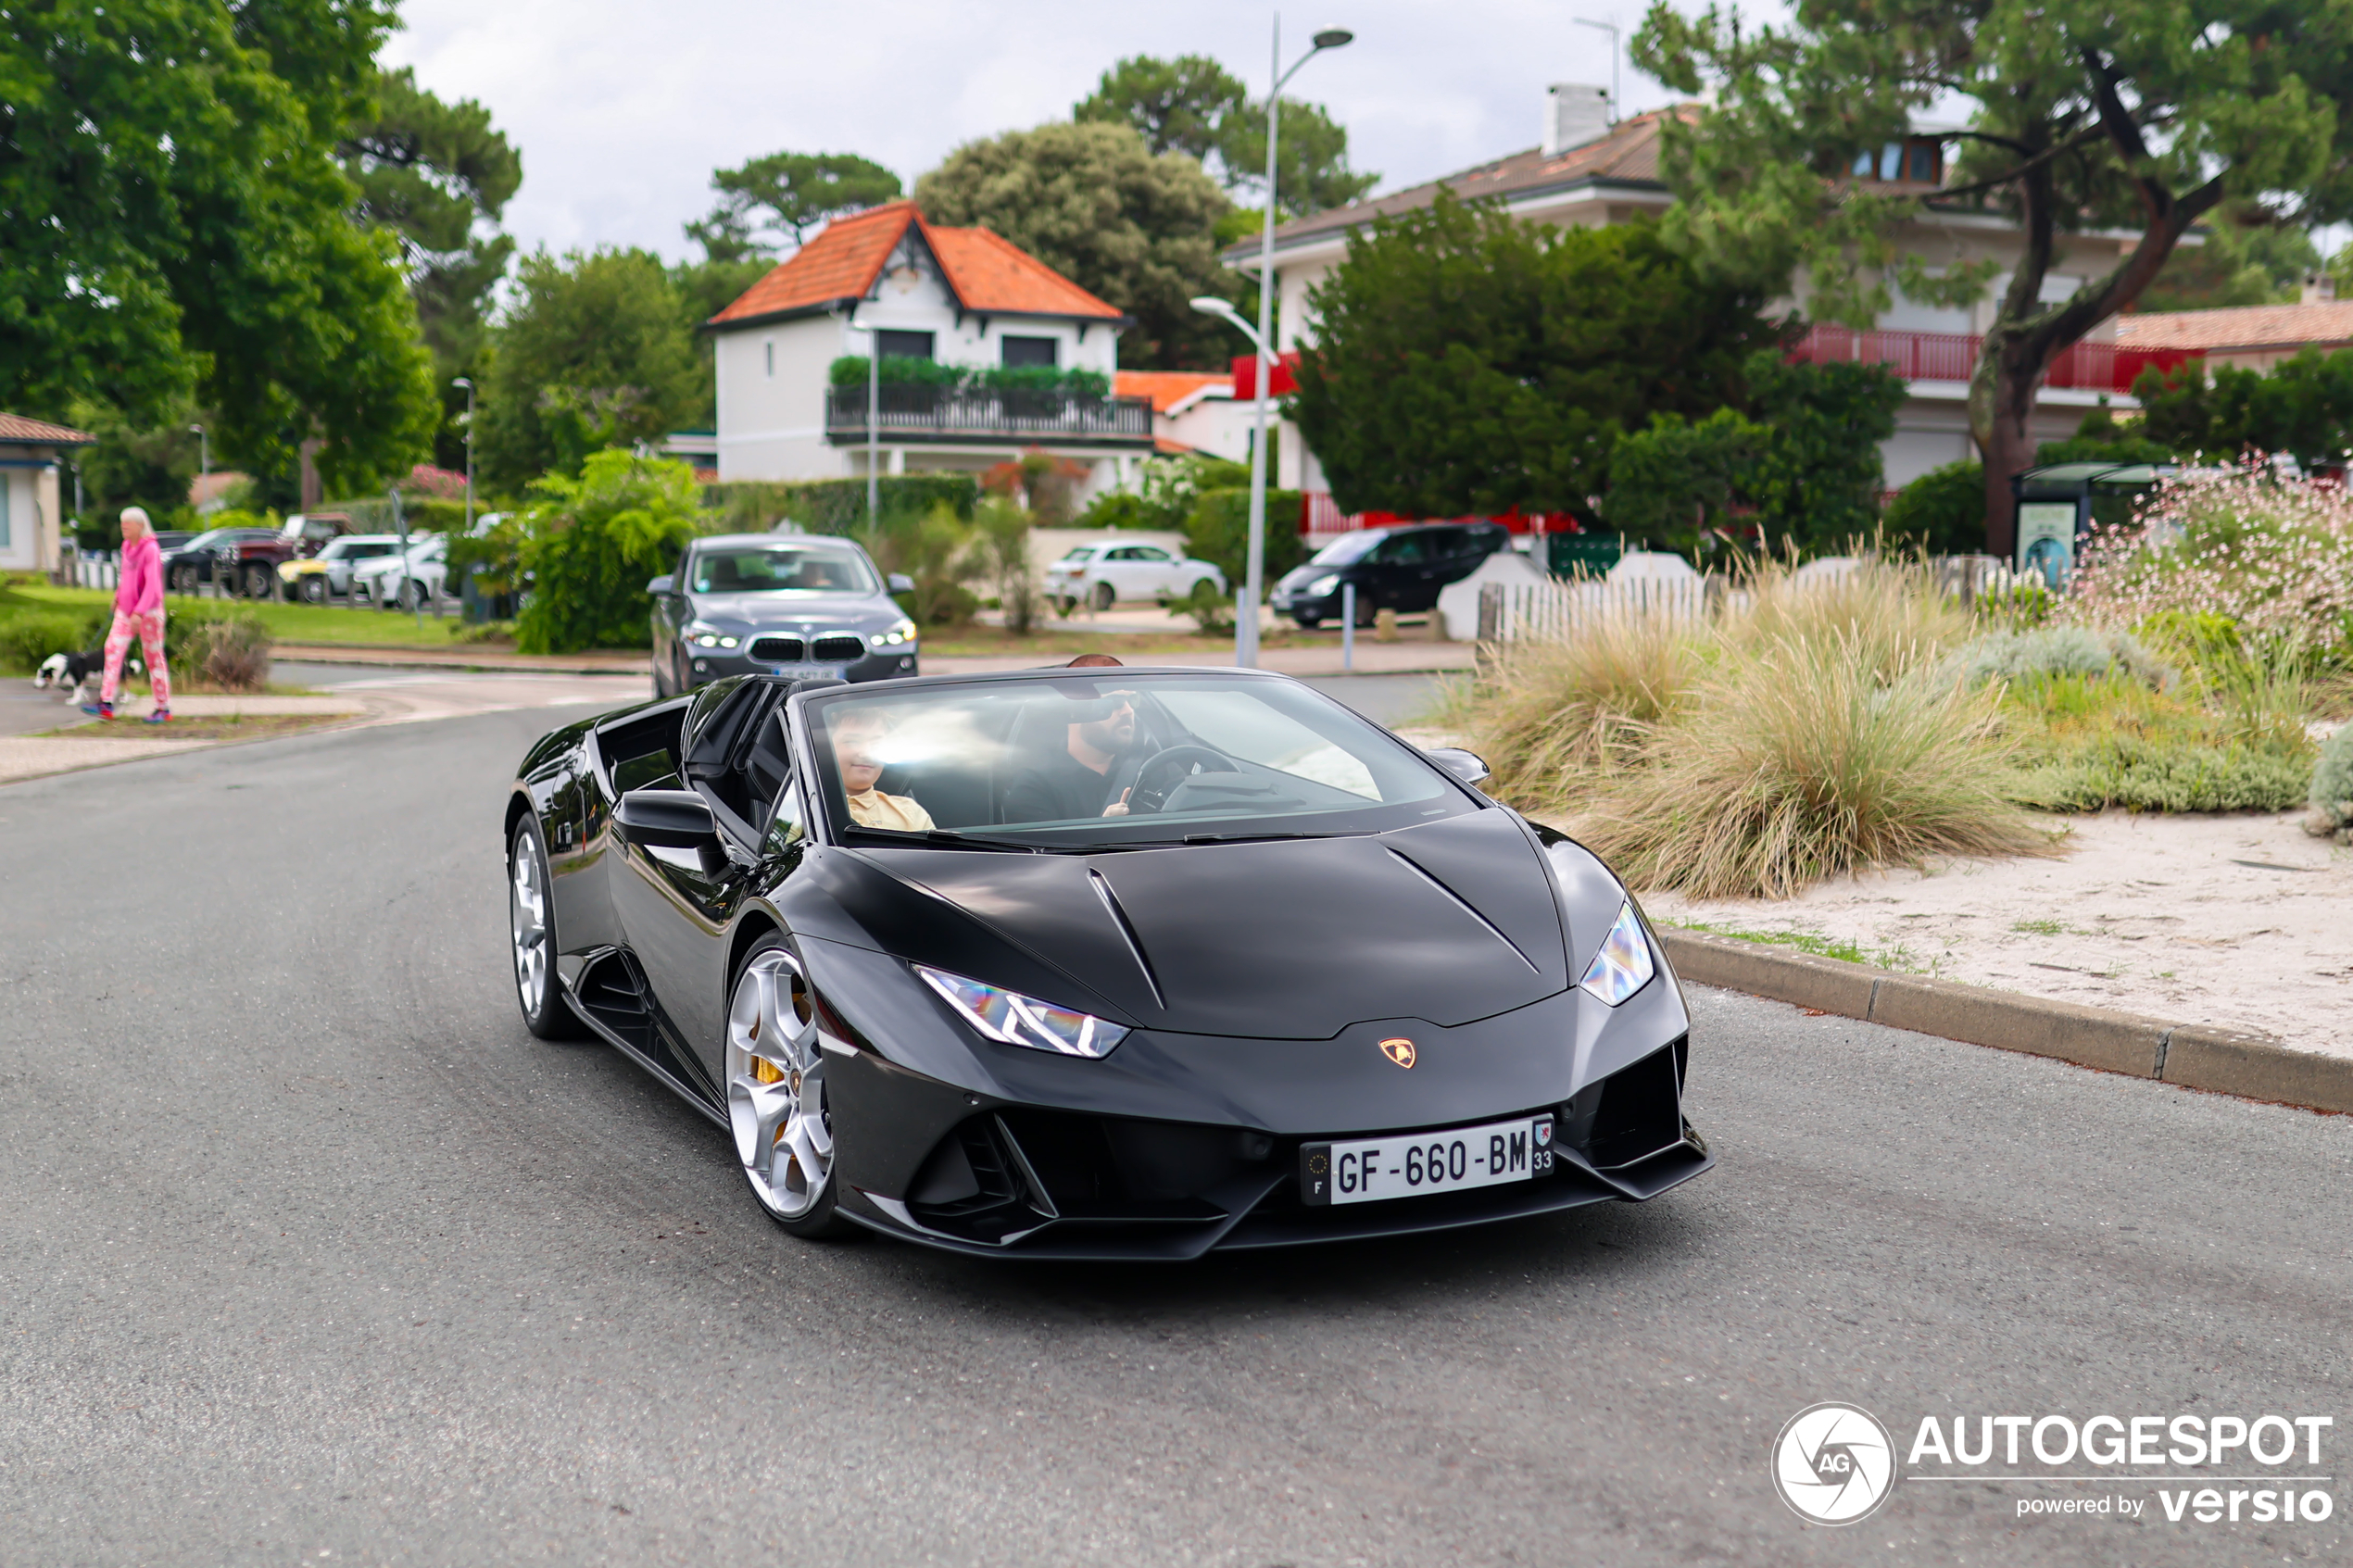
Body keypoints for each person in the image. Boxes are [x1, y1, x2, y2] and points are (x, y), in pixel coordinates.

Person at [85, 507, 171, 723]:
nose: (124, 526)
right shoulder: (126, 547)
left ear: (140, 525)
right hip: (125, 611)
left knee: (153, 657)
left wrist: (139, 613)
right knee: (112, 648)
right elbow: (127, 576)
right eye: (122, 522)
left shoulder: (150, 549)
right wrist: (118, 595)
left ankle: (163, 707)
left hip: (148, 612)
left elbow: (152, 584)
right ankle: (106, 702)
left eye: (129, 523)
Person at [1003, 690, 1139, 822]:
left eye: (1133, 701)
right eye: (1115, 702)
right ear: (1074, 713)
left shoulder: (1148, 769)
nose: (1128, 711)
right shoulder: (1034, 786)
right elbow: (1043, 845)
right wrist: (1104, 830)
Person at [832, 708, 934, 831]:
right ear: (826, 749)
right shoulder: (807, 811)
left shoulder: (909, 813)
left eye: (876, 744)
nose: (867, 753)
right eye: (852, 741)